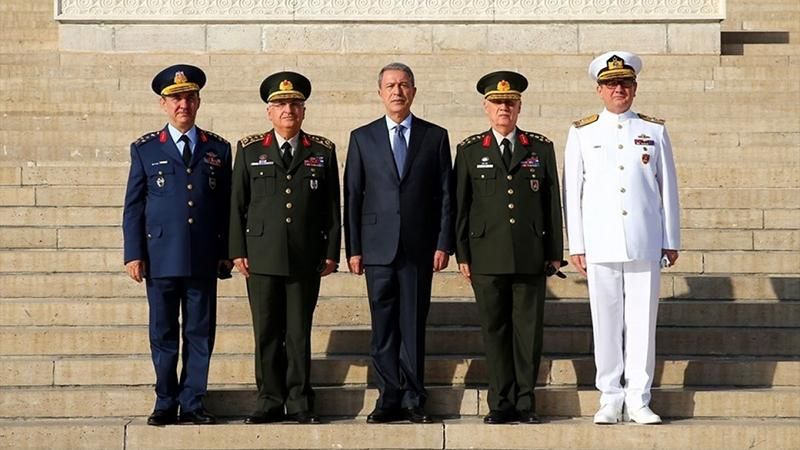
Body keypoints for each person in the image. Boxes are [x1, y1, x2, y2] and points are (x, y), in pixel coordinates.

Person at [562, 51, 680, 425]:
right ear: (599, 89)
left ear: (635, 87)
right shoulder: (582, 131)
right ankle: (610, 397)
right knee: (606, 321)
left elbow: (667, 187)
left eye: (625, 83)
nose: (619, 89)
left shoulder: (654, 131)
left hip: (644, 238)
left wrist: (670, 238)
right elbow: (572, 192)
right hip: (601, 241)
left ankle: (639, 398)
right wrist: (577, 244)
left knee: (643, 322)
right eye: (611, 84)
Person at [344, 62, 454, 424]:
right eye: (390, 85)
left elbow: (445, 194)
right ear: (380, 92)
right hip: (377, 247)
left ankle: (413, 397)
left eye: (404, 85)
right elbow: (353, 196)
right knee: (383, 326)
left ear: (414, 92)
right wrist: (354, 248)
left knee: (413, 325)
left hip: (419, 247)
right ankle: (388, 396)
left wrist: (443, 243)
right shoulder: (362, 137)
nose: (397, 91)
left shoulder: (434, 136)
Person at [122, 64, 232, 426]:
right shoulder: (145, 149)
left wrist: (226, 252)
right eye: (175, 98)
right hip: (160, 257)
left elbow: (226, 205)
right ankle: (166, 400)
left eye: (189, 97)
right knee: (163, 332)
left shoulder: (218, 148)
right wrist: (134, 253)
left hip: (202, 256)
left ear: (198, 102)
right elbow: (134, 205)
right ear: (163, 104)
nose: (183, 104)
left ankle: (194, 401)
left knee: (200, 333)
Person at [229, 71, 341, 425]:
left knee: (298, 333)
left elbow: (332, 208)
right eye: (280, 105)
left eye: (294, 104)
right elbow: (237, 204)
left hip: (305, 256)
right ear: (269, 112)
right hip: (261, 256)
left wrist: (331, 252)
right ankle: (268, 401)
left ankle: (300, 402)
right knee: (266, 332)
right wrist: (237, 249)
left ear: (303, 111)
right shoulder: (250, 150)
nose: (288, 110)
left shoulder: (322, 151)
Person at [454, 71, 564, 424]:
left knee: (527, 333)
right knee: (495, 331)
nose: (504, 108)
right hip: (486, 256)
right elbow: (461, 206)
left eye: (510, 102)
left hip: (530, 254)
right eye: (497, 102)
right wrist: (462, 254)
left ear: (519, 107)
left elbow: (551, 203)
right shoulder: (470, 150)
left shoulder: (540, 148)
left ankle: (526, 402)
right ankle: (500, 402)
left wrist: (554, 252)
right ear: (486, 107)